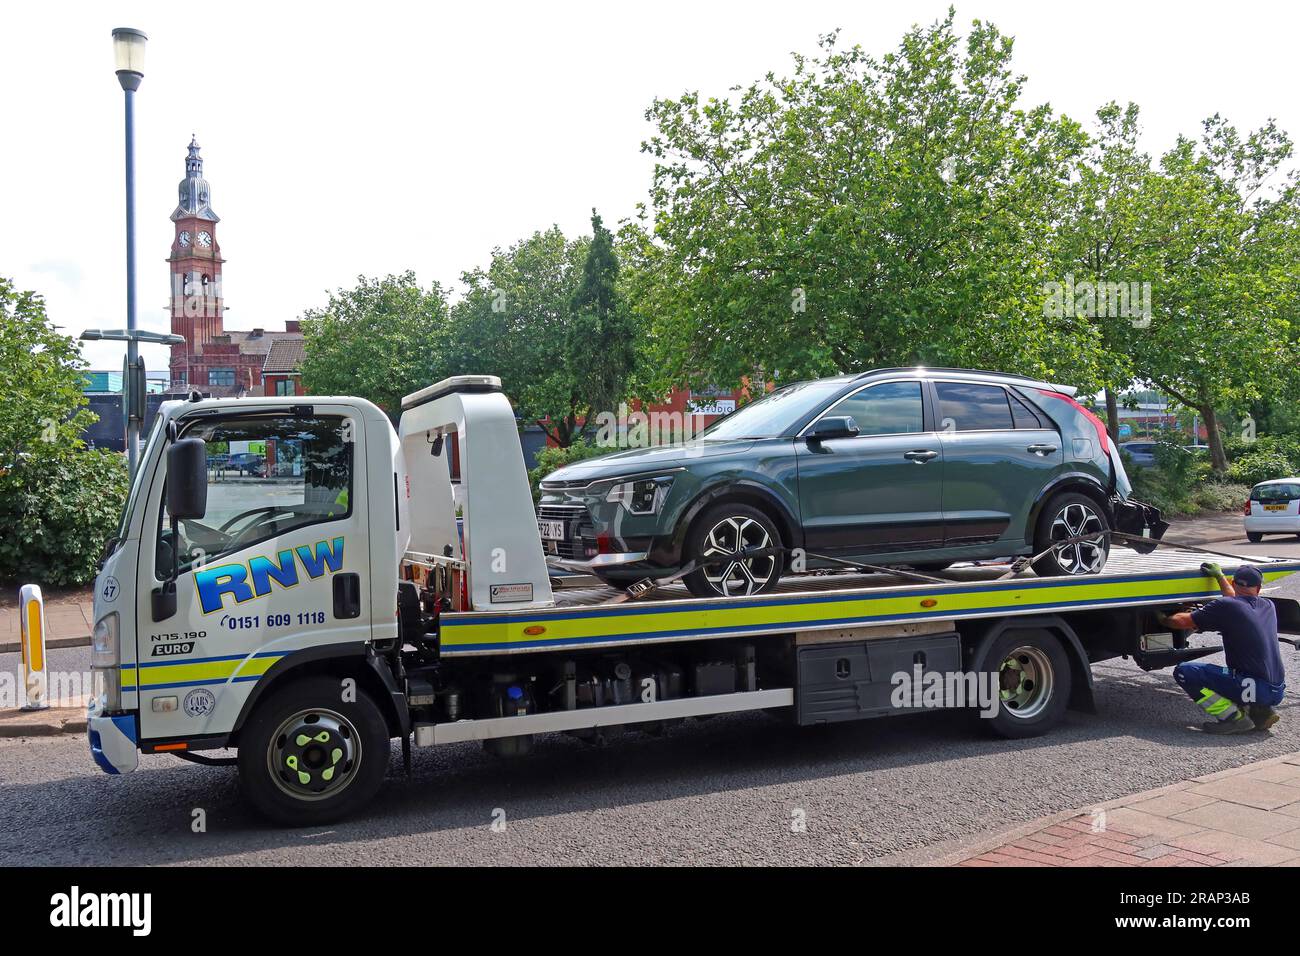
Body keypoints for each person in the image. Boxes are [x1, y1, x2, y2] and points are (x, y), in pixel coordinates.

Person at [1160, 563, 1285, 735]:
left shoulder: (1227, 606)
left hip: (1253, 687)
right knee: (1246, 675)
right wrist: (1219, 578)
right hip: (1276, 691)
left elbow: (1180, 622)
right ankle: (1261, 711)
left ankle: (1233, 718)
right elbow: (1235, 601)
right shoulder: (1268, 605)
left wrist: (1162, 618)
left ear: (1234, 583)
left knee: (1184, 672)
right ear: (1259, 588)